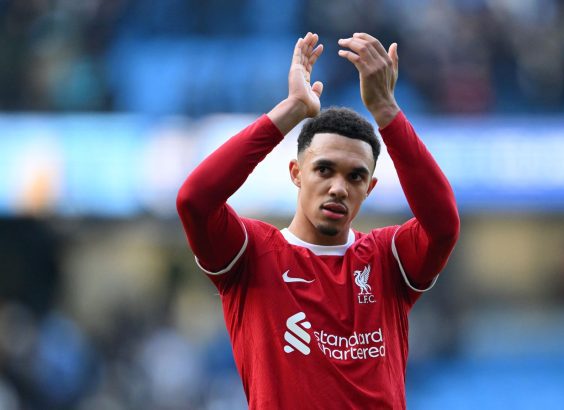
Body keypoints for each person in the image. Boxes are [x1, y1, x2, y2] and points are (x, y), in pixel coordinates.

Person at [177, 32, 460, 409]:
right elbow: (194, 200)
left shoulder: (387, 259)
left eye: (355, 177)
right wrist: (291, 110)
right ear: (296, 173)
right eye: (324, 170)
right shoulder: (250, 255)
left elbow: (443, 226)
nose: (338, 188)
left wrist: (387, 112)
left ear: (369, 188)